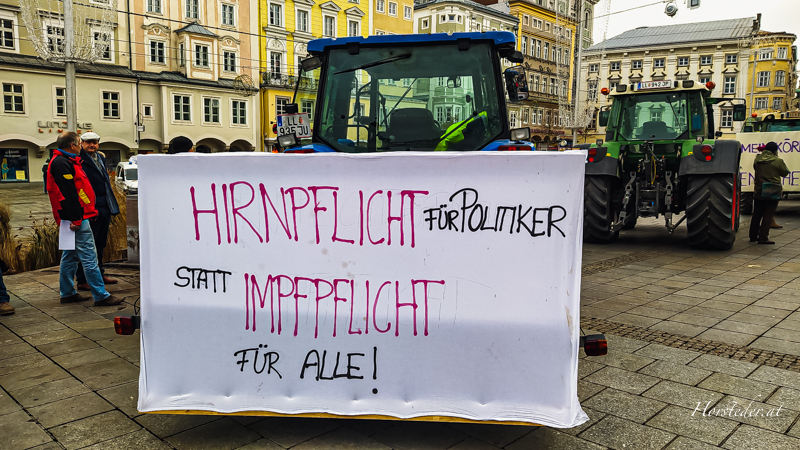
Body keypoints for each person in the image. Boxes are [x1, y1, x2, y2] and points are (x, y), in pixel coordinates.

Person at [46, 131, 122, 306]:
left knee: (70, 256)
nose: (82, 146)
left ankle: (67, 293)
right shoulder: (62, 163)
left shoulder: (67, 161)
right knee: (89, 256)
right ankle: (101, 296)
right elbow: (67, 194)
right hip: (77, 218)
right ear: (73, 145)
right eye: (80, 143)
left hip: (76, 216)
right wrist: (76, 218)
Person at [74, 132, 120, 291]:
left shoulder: (100, 157)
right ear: (81, 143)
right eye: (88, 142)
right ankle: (82, 279)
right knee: (88, 247)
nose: (91, 145)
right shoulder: (79, 159)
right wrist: (88, 208)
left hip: (104, 207)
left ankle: (99, 274)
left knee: (100, 244)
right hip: (91, 209)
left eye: (94, 142)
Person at [749, 141, 790, 245]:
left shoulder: (757, 159)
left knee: (757, 213)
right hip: (772, 190)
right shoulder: (778, 160)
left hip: (759, 189)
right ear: (775, 151)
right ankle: (763, 237)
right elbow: (785, 173)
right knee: (769, 213)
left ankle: (753, 236)